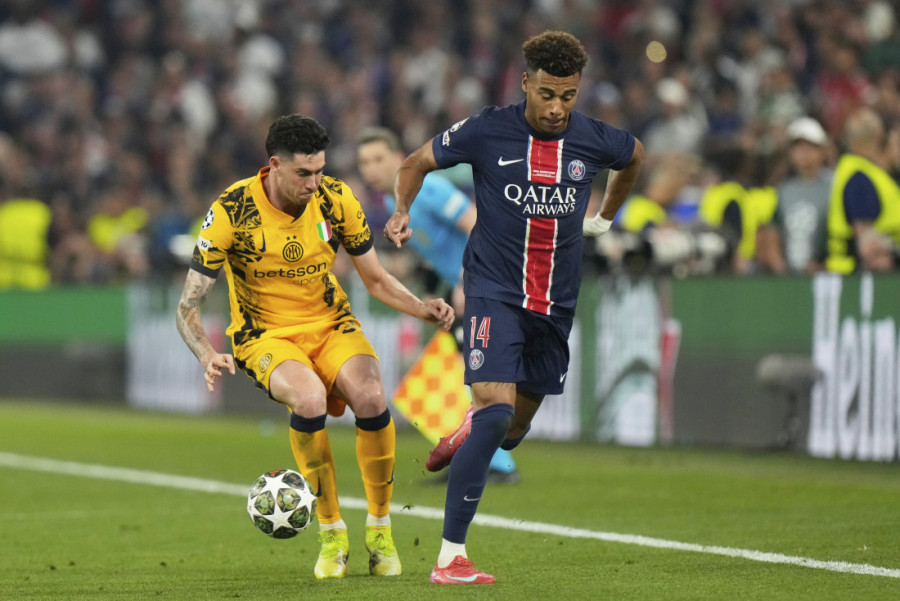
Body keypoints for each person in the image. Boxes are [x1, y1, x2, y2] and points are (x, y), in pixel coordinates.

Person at [384, 31, 643, 584]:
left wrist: (604, 217)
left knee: (512, 427)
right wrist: (402, 210)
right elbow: (415, 161)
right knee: (497, 411)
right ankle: (450, 557)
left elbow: (635, 156)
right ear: (525, 83)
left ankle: (469, 427)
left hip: (555, 303)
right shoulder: (486, 130)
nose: (556, 108)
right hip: (493, 290)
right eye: (546, 94)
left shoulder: (594, 138)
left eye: (567, 96)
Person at [174, 114, 454, 580]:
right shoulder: (231, 210)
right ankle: (331, 533)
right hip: (265, 335)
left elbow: (376, 279)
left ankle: (380, 529)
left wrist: (421, 308)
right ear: (275, 166)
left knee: (372, 397)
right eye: (303, 173)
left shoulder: (335, 199)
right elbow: (188, 304)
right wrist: (206, 353)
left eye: (320, 170)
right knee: (308, 399)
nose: (314, 182)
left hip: (330, 324)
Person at [356, 125, 520, 484]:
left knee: (475, 373)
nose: (371, 168)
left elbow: (478, 224)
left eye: (379, 158)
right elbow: (441, 246)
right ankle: (477, 457)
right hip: (472, 287)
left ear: (399, 158)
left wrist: (466, 277)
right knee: (456, 375)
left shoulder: (428, 188)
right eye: (365, 162)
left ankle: (496, 464)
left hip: (488, 283)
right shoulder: (393, 203)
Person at [826, 107, 900, 273]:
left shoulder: (865, 171)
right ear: (879, 138)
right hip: (865, 273)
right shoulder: (859, 177)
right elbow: (867, 240)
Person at [756, 116, 833, 274]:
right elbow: (772, 232)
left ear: (823, 151)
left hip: (825, 274)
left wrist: (825, 264)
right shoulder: (784, 190)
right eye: (798, 147)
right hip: (791, 276)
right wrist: (781, 270)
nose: (803, 153)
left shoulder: (835, 186)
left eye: (810, 147)